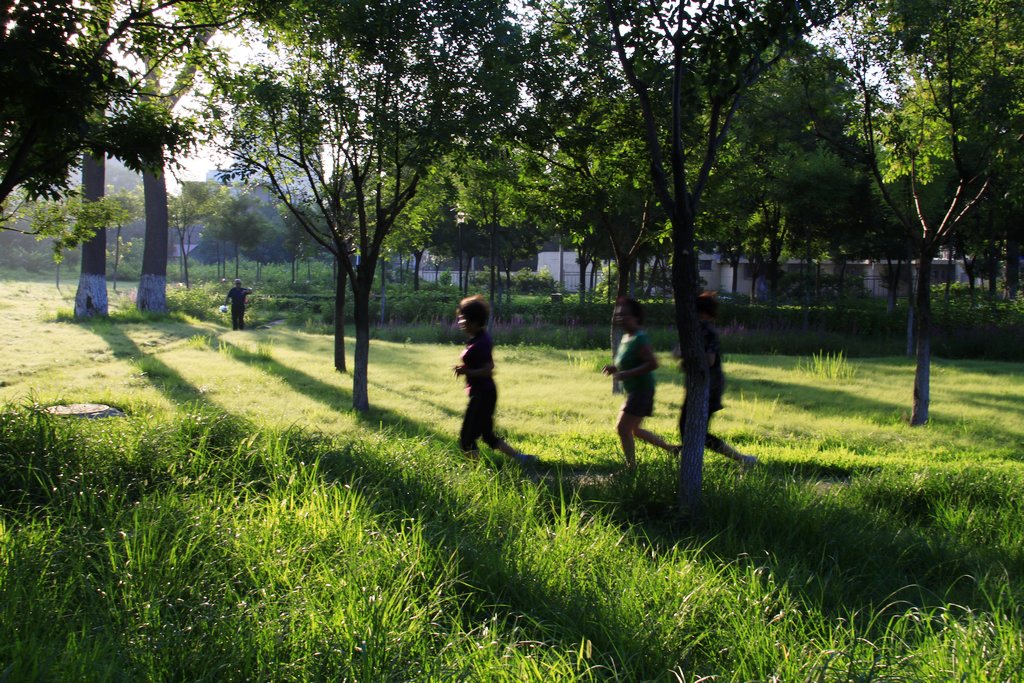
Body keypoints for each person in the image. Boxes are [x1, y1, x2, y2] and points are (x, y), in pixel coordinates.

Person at [453, 295, 537, 466]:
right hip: (484, 393)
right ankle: (523, 459)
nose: (460, 322)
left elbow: (488, 369)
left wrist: (466, 371)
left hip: (482, 395)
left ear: (475, 321)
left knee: (467, 438)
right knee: (487, 435)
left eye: (463, 318)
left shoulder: (481, 342)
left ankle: (474, 472)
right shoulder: (477, 338)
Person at [678, 292, 757, 469]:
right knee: (689, 428)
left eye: (697, 312)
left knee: (694, 431)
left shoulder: (705, 331)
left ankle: (742, 459)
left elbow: (709, 361)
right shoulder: (700, 330)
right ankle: (688, 462)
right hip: (704, 385)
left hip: (708, 386)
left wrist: (686, 358)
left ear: (704, 313)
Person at [602, 297, 678, 470]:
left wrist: (626, 374)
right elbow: (629, 361)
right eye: (618, 315)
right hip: (635, 390)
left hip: (642, 391)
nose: (620, 318)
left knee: (622, 429)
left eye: (625, 315)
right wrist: (615, 368)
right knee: (634, 429)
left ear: (636, 317)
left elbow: (653, 363)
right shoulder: (626, 338)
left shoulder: (640, 338)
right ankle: (672, 449)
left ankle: (631, 468)